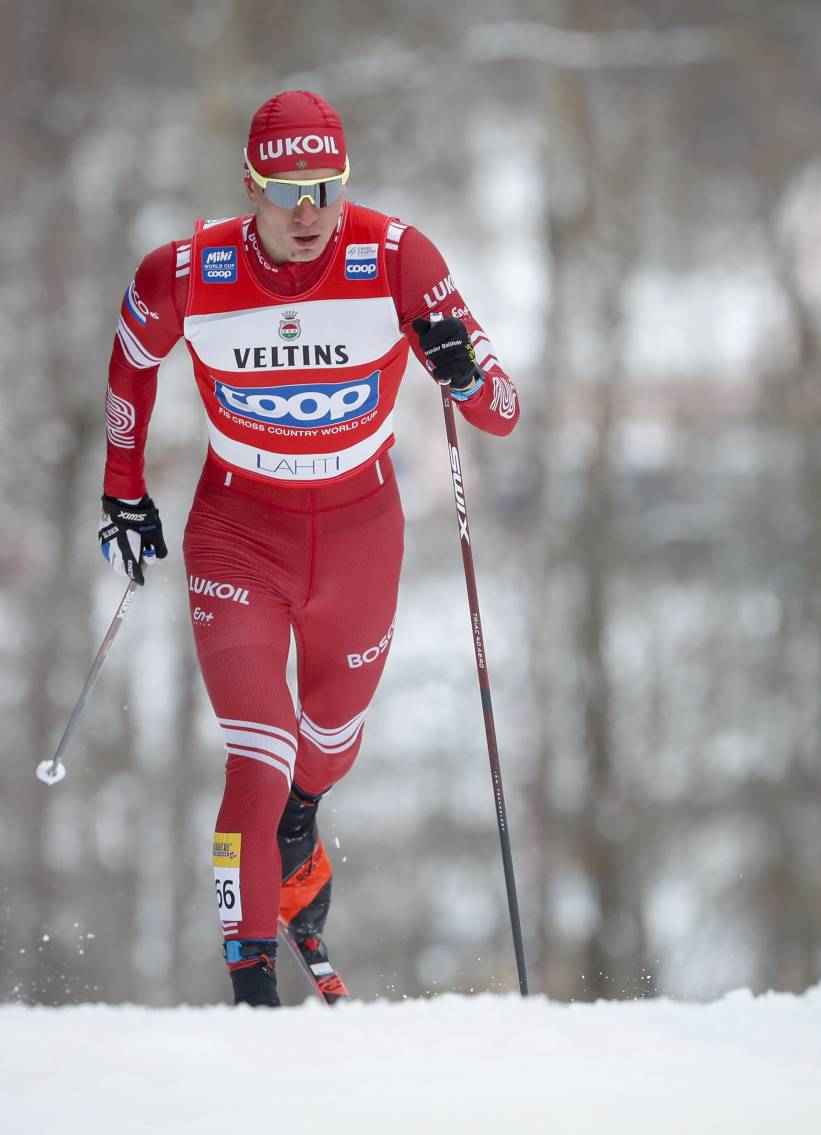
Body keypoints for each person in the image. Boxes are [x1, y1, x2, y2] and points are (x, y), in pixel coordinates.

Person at [96, 91, 520, 1007]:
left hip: (361, 532)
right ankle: (252, 993)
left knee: (327, 745)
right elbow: (133, 355)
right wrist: (121, 487)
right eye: (285, 189)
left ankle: (301, 822)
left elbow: (505, 413)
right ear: (250, 185)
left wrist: (466, 372)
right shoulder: (188, 270)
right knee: (260, 748)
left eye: (324, 187)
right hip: (238, 531)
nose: (307, 212)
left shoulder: (399, 256)